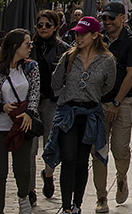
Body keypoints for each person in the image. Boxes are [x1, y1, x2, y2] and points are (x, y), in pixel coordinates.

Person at [45, 16, 116, 214]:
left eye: (83, 34)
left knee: (82, 160)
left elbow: (108, 85)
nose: (79, 37)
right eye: (77, 33)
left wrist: (91, 94)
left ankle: (77, 203)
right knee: (68, 158)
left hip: (90, 113)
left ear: (95, 35)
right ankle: (66, 206)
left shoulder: (107, 60)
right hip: (69, 113)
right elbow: (56, 82)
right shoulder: (69, 56)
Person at [0, 28, 40, 214]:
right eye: (27, 44)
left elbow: (34, 93)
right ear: (15, 47)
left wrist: (29, 113)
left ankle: (23, 197)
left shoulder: (31, 68)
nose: (30, 47)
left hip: (22, 126)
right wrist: (2, 107)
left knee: (23, 171)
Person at [93, 2, 132, 212]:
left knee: (120, 148)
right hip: (98, 103)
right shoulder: (98, 40)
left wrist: (116, 102)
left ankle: (121, 178)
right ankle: (101, 197)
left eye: (111, 18)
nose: (107, 22)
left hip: (122, 102)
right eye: (104, 18)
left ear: (122, 18)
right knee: (99, 150)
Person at [31, 10, 66, 203]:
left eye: (47, 25)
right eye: (40, 25)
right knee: (29, 148)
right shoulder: (28, 47)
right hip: (31, 103)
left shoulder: (62, 49)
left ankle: (48, 174)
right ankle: (29, 189)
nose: (43, 28)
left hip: (52, 102)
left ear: (55, 27)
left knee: (50, 144)